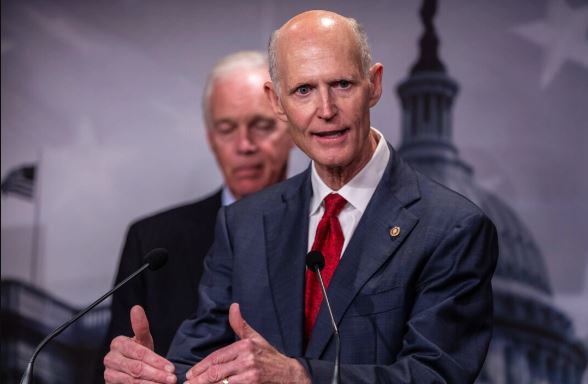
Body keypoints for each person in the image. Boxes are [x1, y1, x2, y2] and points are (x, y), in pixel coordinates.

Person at [103, 10, 498, 384]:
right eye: (304, 90)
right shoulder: (244, 224)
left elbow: (435, 375)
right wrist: (159, 375)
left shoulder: (451, 227)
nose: (325, 110)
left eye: (342, 84)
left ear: (373, 85)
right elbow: (200, 361)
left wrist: (302, 377)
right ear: (278, 102)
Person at [104, 50, 293, 359]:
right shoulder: (152, 242)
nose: (244, 145)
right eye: (227, 129)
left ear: (291, 131)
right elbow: (109, 371)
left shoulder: (328, 229)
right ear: (210, 139)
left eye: (261, 125)